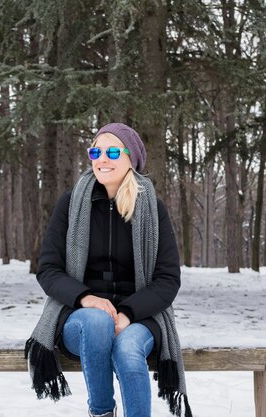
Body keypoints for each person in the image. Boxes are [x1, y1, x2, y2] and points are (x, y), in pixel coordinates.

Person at [25, 123, 192, 417]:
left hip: (140, 317)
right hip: (79, 319)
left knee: (128, 350)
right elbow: (49, 269)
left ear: (132, 158)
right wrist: (86, 299)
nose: (102, 158)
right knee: (97, 322)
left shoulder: (153, 209)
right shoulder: (71, 204)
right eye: (96, 151)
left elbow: (167, 280)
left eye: (113, 151)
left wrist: (127, 312)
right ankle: (102, 412)